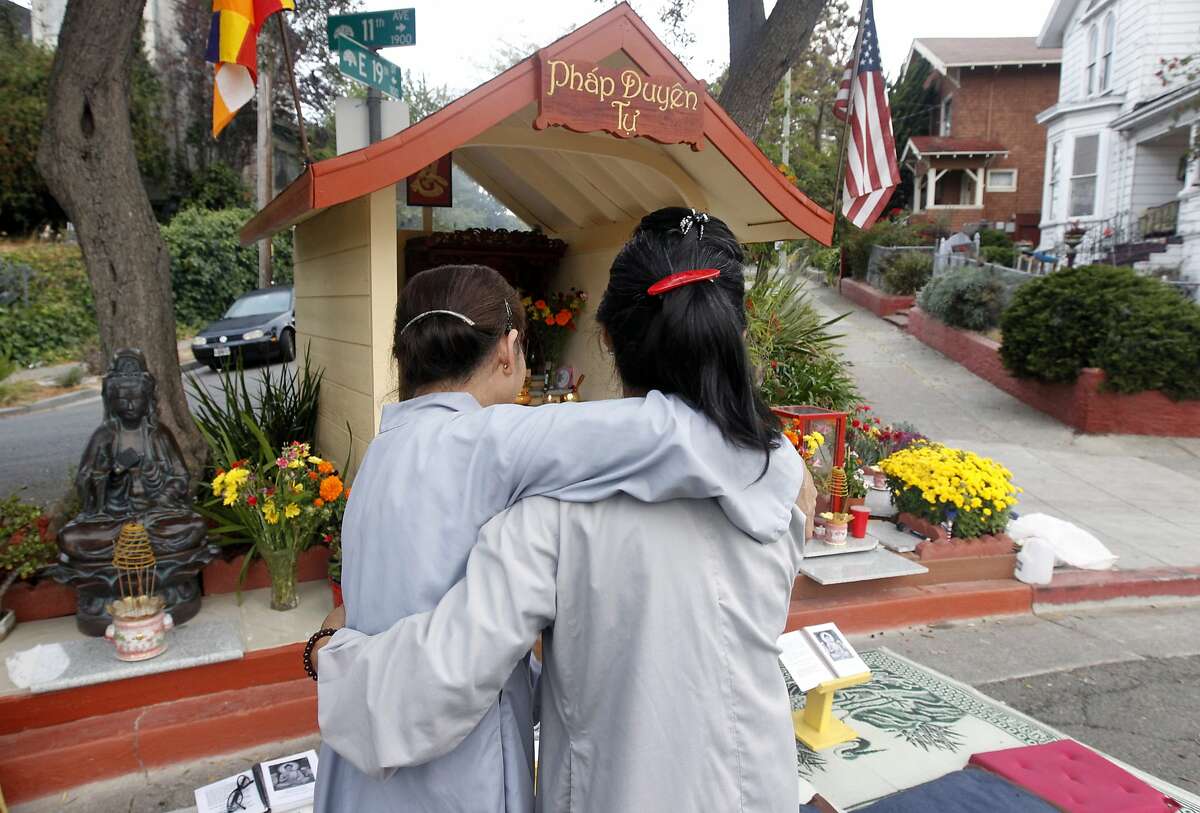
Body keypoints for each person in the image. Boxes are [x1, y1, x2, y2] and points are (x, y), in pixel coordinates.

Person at [316, 209, 814, 812]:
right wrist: (777, 451)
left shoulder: (549, 514)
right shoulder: (777, 485)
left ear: (607, 339)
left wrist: (329, 655)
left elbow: (436, 682)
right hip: (758, 787)